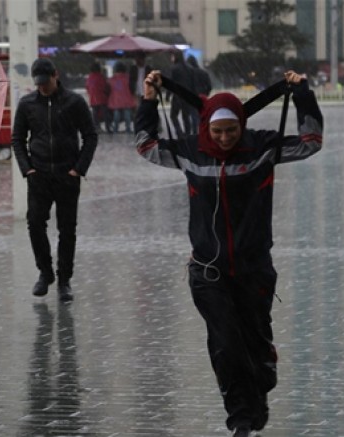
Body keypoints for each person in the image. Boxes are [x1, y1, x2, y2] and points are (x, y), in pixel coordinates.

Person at [135, 70, 323, 437]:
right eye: (217, 131)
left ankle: (262, 376)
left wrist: (302, 94)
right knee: (225, 344)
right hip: (207, 271)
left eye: (231, 131)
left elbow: (311, 141)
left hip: (254, 269)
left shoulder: (263, 148)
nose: (223, 138)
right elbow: (145, 145)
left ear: (241, 126)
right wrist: (147, 99)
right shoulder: (189, 151)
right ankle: (239, 418)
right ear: (206, 126)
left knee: (253, 345)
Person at [12, 58, 98, 303]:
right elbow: (17, 139)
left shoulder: (74, 102)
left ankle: (64, 280)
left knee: (67, 229)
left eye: (46, 82)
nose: (43, 88)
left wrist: (78, 169)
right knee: (35, 224)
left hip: (67, 175)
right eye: (38, 83)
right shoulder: (27, 104)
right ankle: (45, 271)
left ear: (55, 76)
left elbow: (90, 136)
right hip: (38, 176)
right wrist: (27, 169)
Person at [166, 50, 195, 137]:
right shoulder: (190, 68)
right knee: (186, 117)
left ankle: (179, 132)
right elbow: (193, 84)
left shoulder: (174, 68)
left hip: (178, 95)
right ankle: (188, 134)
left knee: (173, 115)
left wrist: (168, 95)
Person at [106, 61, 136, 133]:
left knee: (116, 115)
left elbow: (107, 89)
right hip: (127, 100)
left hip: (115, 100)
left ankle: (115, 129)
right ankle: (128, 129)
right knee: (127, 114)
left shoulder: (111, 79)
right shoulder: (128, 78)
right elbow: (132, 88)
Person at [186, 55, 213, 135]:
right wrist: (206, 93)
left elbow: (188, 86)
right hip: (203, 96)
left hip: (193, 97)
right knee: (203, 116)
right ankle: (205, 132)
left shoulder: (190, 74)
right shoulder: (203, 72)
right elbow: (209, 86)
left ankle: (196, 135)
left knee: (194, 118)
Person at [85, 62, 110, 133]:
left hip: (93, 98)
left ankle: (96, 127)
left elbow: (87, 87)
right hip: (102, 98)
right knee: (105, 114)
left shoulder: (90, 77)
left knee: (95, 114)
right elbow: (104, 87)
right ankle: (108, 127)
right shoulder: (101, 76)